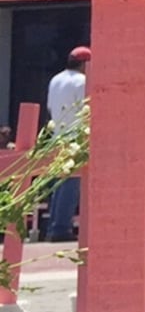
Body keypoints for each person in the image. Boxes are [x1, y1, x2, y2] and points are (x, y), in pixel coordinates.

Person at [45, 46, 90, 242]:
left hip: (57, 136)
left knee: (59, 184)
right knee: (71, 184)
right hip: (76, 137)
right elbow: (87, 109)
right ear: (85, 64)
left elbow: (49, 107)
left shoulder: (55, 79)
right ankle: (61, 228)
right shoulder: (82, 81)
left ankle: (53, 225)